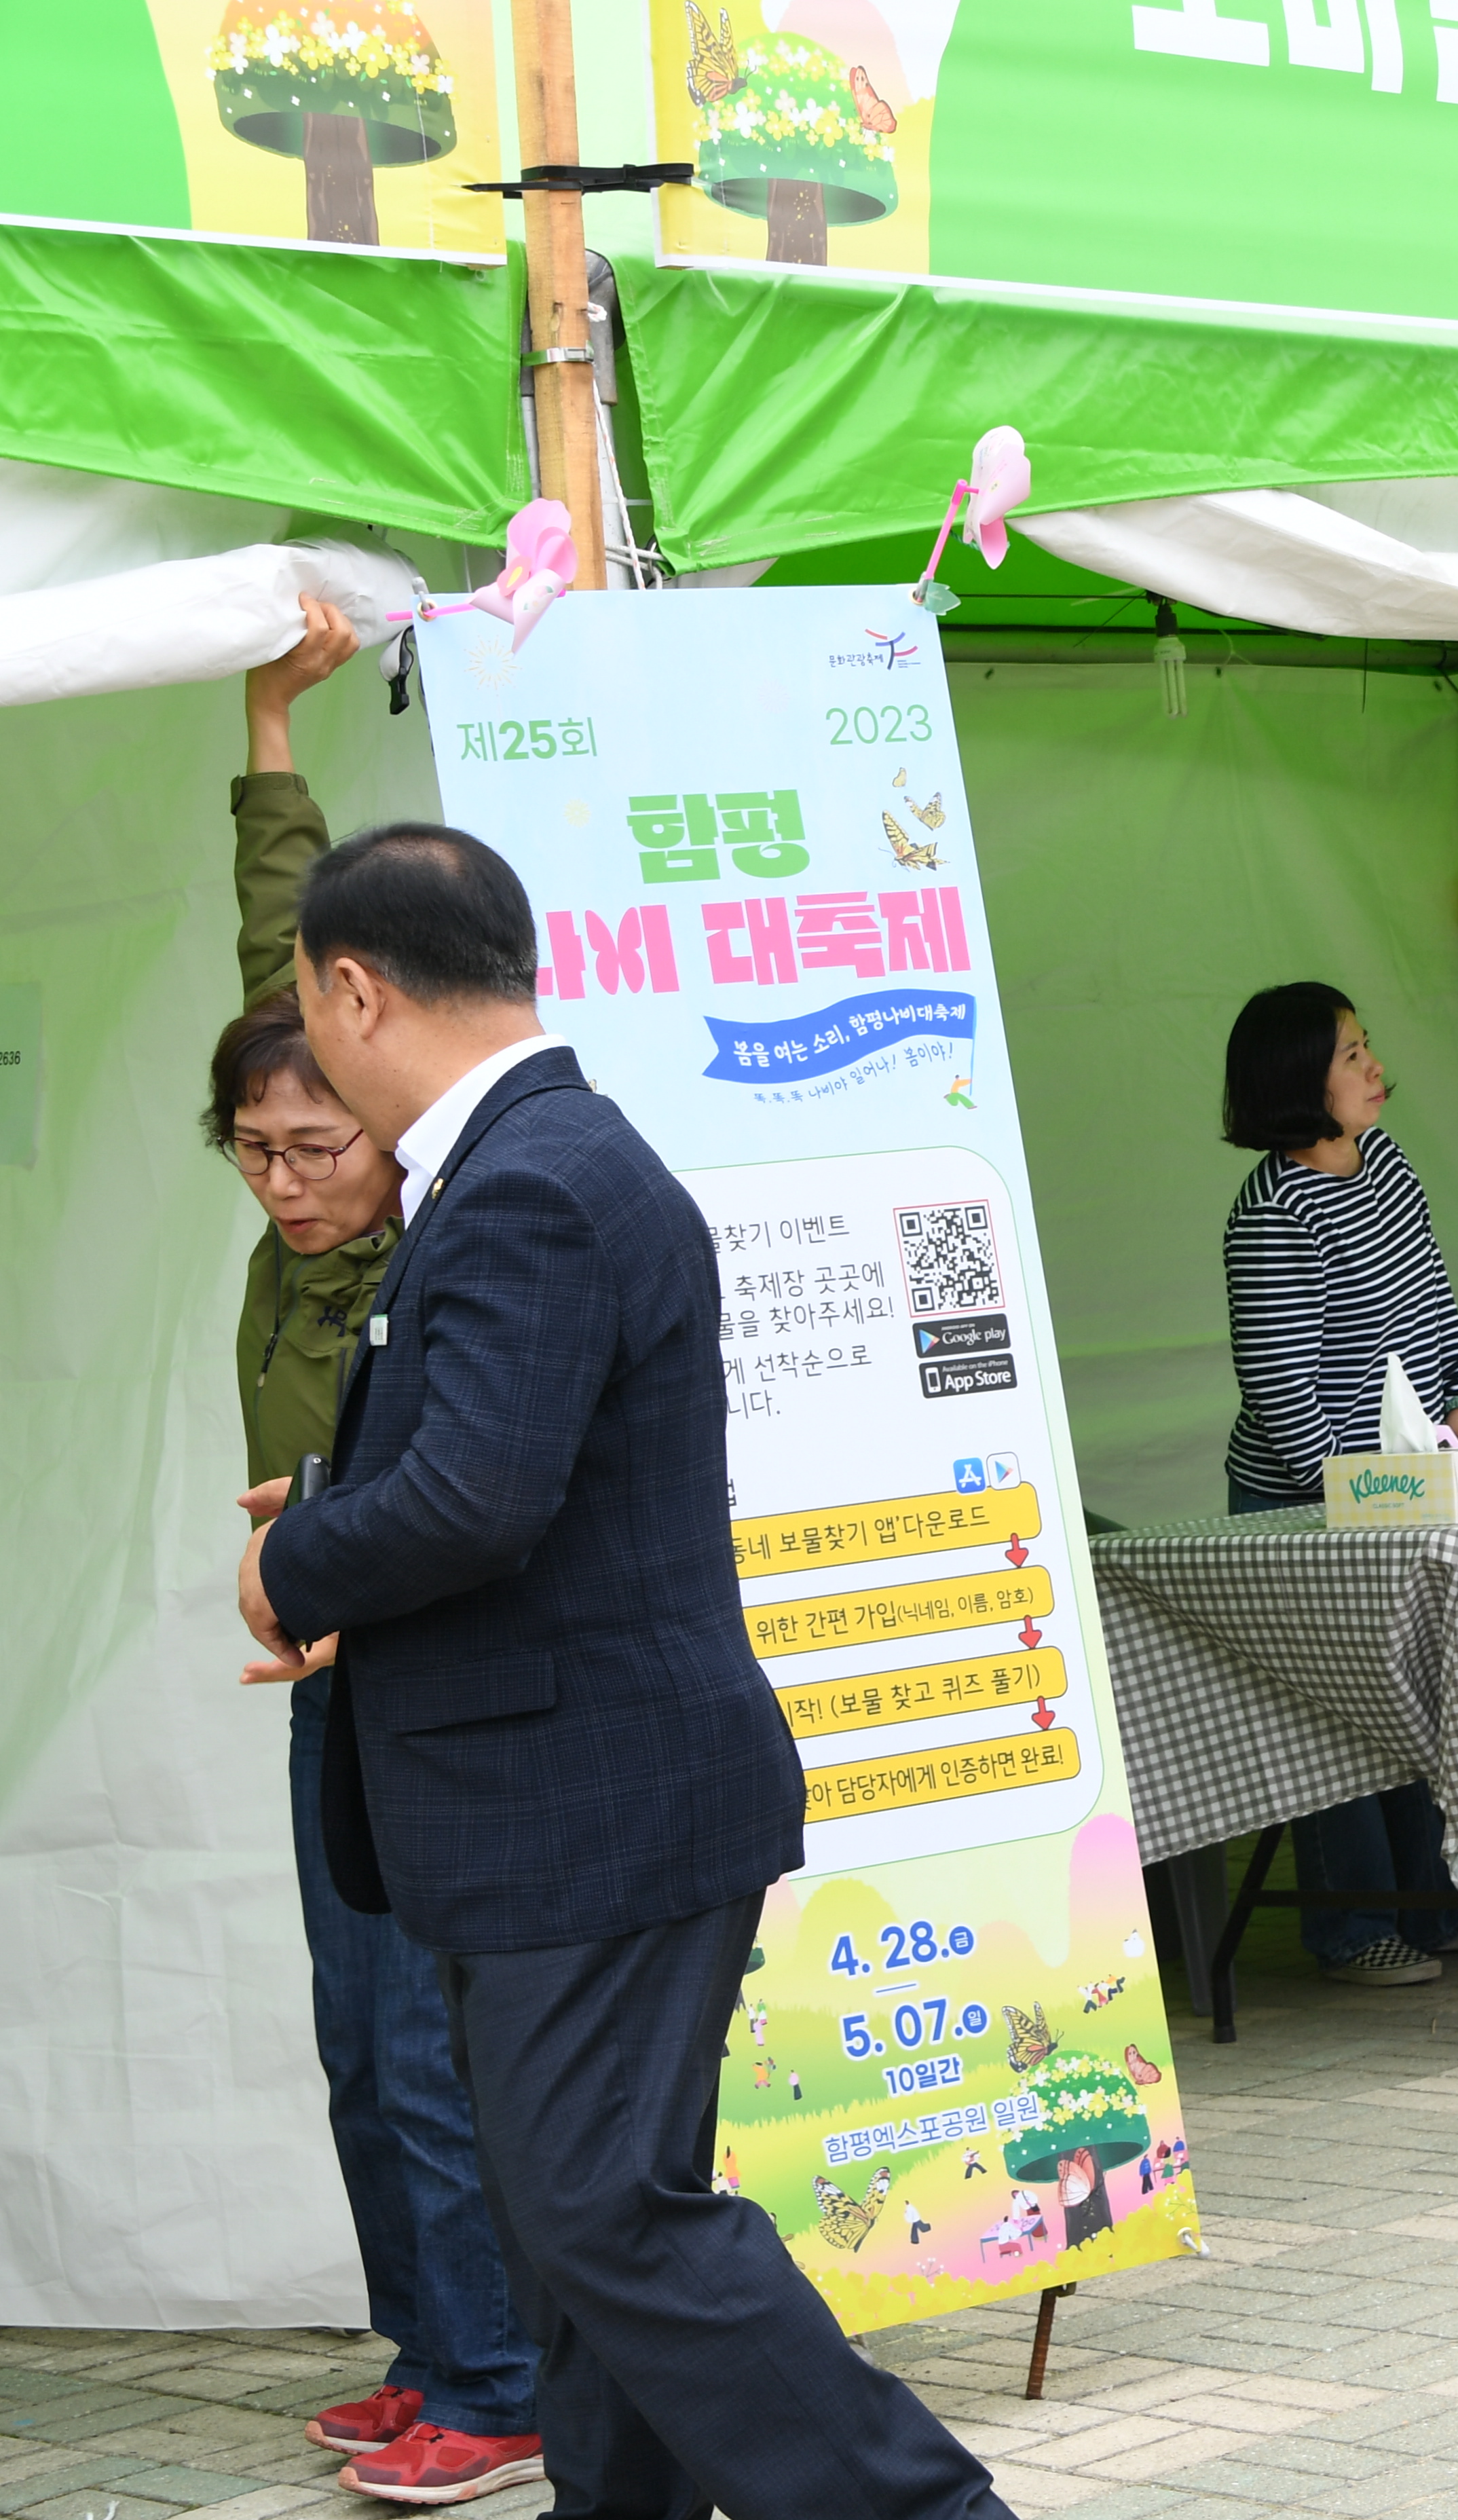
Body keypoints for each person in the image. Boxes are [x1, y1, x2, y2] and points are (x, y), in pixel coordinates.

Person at [234, 824, 1013, 2520]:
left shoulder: (529, 1180)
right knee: (575, 2227)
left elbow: (475, 1496)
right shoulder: (529, 1157)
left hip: (587, 1807)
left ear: (354, 990)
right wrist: (347, 1510)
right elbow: (517, 1471)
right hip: (560, 1802)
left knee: (608, 2215)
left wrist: (293, 1564)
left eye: (307, 996)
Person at [210, 604, 543, 2505]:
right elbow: (287, 955)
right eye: (254, 1148)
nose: (285, 1175)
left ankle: (498, 2384)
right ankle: (430, 2354)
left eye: (316, 1146)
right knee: (357, 2044)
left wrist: (350, 1576)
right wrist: (271, 728)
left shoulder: (447, 1230)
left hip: (422, 1690)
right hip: (321, 1681)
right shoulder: (300, 1194)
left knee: (425, 2048)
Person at [1221, 981, 1458, 1984]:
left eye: (1367, 1045)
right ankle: (1350, 1922)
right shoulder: (1272, 1215)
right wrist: (1371, 1497)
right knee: (1337, 1717)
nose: (1375, 1067)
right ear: (1300, 1080)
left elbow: (1433, 1308)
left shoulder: (1386, 1164)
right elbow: (1284, 1399)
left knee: (1418, 1697)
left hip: (1402, 1488)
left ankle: (1431, 1906)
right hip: (1306, 1502)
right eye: (1351, 1053)